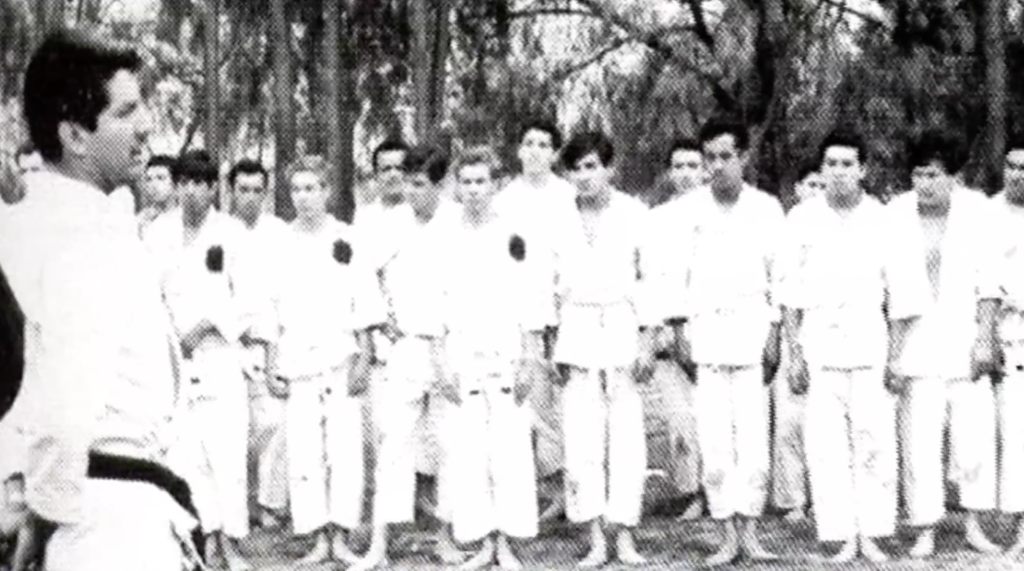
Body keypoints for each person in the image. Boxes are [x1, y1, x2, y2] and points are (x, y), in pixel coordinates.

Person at [7, 29, 201, 571]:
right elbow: (65, 408)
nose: (146, 126)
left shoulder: (55, 224)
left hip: (99, 509)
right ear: (75, 134)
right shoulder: (76, 236)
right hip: (100, 525)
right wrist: (38, 519)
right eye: (126, 111)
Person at [780, 129, 927, 563]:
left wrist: (897, 357)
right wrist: (794, 353)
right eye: (831, 164)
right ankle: (840, 533)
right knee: (825, 445)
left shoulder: (884, 220)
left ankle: (875, 532)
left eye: (847, 164)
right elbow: (789, 292)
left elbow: (903, 294)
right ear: (821, 171)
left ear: (862, 170)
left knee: (875, 441)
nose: (839, 172)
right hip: (820, 347)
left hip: (870, 345)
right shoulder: (802, 219)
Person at [669, 118, 783, 566]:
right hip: (707, 330)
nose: (717, 166)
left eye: (725, 156)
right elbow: (675, 276)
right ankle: (725, 535)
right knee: (715, 441)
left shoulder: (766, 208)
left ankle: (751, 532)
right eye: (710, 157)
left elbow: (780, 277)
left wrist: (774, 333)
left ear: (743, 158)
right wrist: (679, 331)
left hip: (753, 326)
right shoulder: (687, 211)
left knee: (752, 441)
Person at [889, 130, 1002, 558]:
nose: (925, 183)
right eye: (918, 174)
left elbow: (989, 282)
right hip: (917, 341)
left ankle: (974, 523)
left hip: (965, 338)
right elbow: (892, 286)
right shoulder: (897, 213)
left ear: (953, 176)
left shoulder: (976, 210)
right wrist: (894, 354)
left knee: (972, 436)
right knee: (920, 441)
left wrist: (986, 340)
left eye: (934, 174)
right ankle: (925, 527)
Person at [353, 145, 464, 571]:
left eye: (419, 183)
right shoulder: (391, 224)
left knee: (451, 444)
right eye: (407, 182)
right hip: (406, 348)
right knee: (393, 445)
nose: (410, 190)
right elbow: (363, 274)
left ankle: (445, 535)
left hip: (451, 349)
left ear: (439, 184)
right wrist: (383, 320)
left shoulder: (456, 222)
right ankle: (379, 544)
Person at [436, 147, 546, 570]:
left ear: (495, 185)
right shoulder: (445, 238)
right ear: (457, 186)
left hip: (506, 352)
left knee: (509, 450)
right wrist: (440, 362)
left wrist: (530, 360)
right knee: (469, 453)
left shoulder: (514, 235)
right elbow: (435, 304)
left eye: (482, 181)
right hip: (461, 353)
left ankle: (507, 543)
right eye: (466, 182)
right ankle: (481, 542)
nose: (474, 190)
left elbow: (531, 300)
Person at [144, 149, 252, 571]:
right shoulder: (156, 233)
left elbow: (247, 298)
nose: (191, 192)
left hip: (220, 354)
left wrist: (207, 324)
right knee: (187, 454)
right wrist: (173, 337)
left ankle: (233, 543)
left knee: (227, 450)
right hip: (173, 357)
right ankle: (204, 537)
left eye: (200, 184)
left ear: (212, 189)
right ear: (177, 186)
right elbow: (147, 296)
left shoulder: (232, 232)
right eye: (184, 183)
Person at [553, 131, 656, 568]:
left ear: (610, 169)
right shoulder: (557, 219)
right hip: (576, 328)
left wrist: (650, 339)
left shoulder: (634, 213)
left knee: (627, 440)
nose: (584, 176)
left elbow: (651, 278)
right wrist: (549, 345)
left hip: (621, 324)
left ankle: (626, 536)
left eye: (592, 166)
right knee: (581, 441)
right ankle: (595, 538)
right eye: (576, 168)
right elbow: (545, 285)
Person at [272, 156, 379, 565]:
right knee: (304, 452)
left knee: (344, 450)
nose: (303, 197)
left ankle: (342, 536)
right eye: (296, 189)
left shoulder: (347, 238)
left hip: (340, 355)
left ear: (327, 191)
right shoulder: (280, 241)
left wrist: (364, 355)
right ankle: (318, 538)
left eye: (311, 188)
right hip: (297, 358)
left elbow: (364, 298)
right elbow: (271, 304)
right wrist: (271, 363)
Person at [492, 119, 576, 523]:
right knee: (531, 406)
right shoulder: (504, 200)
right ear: (519, 150)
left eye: (544, 144)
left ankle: (573, 491)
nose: (536, 150)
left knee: (571, 408)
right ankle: (550, 489)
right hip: (520, 317)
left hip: (567, 313)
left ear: (556, 153)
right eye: (529, 142)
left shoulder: (569, 196)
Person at [226, 158, 292, 529]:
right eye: (242, 190)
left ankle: (269, 503)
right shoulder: (220, 230)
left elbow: (287, 291)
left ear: (265, 194)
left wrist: (275, 341)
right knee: (236, 428)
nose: (249, 197)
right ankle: (238, 504)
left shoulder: (279, 232)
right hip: (231, 341)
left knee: (274, 424)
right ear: (232, 192)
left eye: (256, 191)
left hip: (272, 340)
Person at [644, 137, 706, 520]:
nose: (685, 174)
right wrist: (661, 330)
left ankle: (719, 492)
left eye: (692, 166)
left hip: (711, 328)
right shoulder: (657, 220)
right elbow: (652, 278)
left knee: (713, 416)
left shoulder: (719, 215)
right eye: (678, 167)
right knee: (680, 419)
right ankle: (689, 491)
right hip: (670, 329)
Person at [769, 163, 826, 523]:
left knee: (824, 423)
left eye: (823, 184)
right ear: (798, 189)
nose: (818, 189)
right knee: (789, 422)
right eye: (811, 183)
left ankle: (825, 496)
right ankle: (793, 499)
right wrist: (788, 343)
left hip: (830, 335)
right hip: (793, 330)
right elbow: (783, 286)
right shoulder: (792, 224)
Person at [986, 137, 1024, 556]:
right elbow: (981, 277)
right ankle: (1019, 529)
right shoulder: (988, 214)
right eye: (1012, 166)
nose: (1019, 174)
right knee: (1015, 438)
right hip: (1009, 343)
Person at [138, 154, 177, 231]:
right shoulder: (141, 219)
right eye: (149, 179)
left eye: (160, 178)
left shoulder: (185, 219)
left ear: (175, 182)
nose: (153, 185)